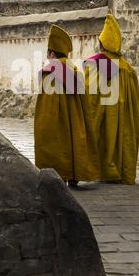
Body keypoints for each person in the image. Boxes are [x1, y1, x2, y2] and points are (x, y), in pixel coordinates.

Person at [34, 24, 100, 186]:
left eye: (48, 53)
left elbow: (46, 104)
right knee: (74, 139)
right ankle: (74, 175)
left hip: (56, 118)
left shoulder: (49, 70)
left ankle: (58, 175)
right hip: (75, 117)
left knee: (55, 141)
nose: (48, 56)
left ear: (52, 53)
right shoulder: (74, 69)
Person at [84, 14, 139, 185]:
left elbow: (89, 91)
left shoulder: (97, 63)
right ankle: (122, 171)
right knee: (122, 137)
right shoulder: (127, 68)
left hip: (104, 109)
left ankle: (103, 171)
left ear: (102, 43)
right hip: (124, 113)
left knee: (104, 136)